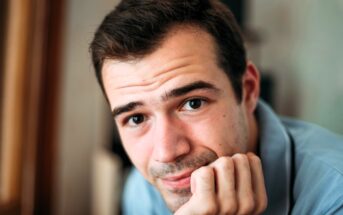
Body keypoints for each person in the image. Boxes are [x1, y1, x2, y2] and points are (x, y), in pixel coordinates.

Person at [90, 0, 343, 214]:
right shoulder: (142, 190)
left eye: (193, 103)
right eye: (136, 119)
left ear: (248, 89)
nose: (166, 153)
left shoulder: (334, 194)